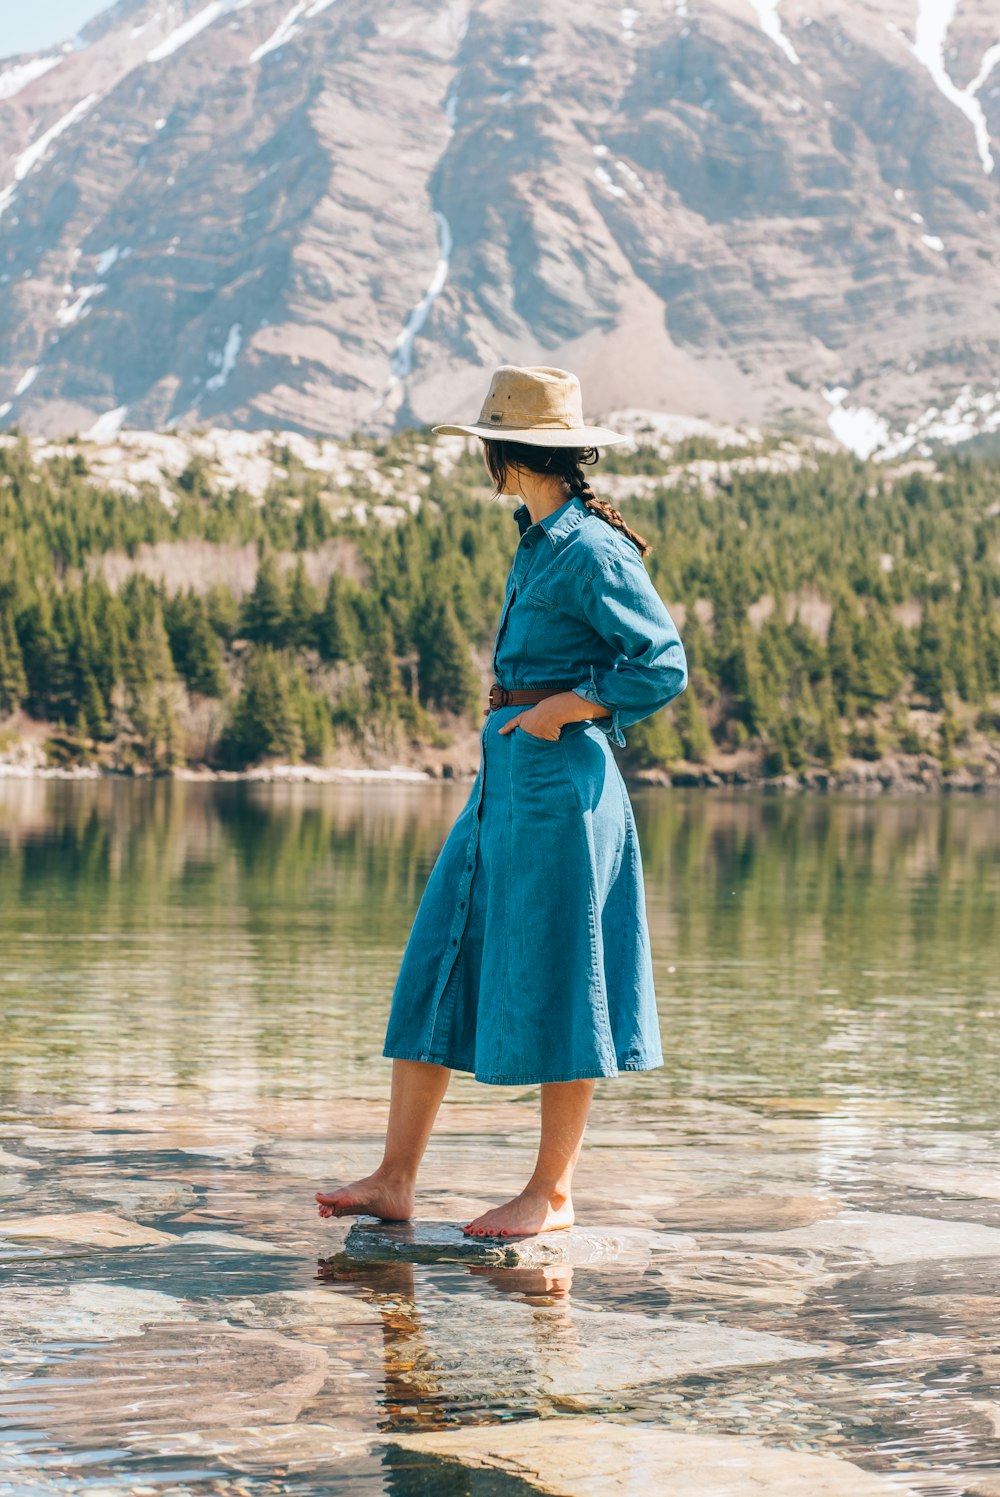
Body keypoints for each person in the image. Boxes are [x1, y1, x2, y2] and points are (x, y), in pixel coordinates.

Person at [316, 364, 688, 1239]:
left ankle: (552, 1194)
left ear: (503, 452)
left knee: (566, 976)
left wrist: (563, 705)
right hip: (508, 790)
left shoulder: (592, 548)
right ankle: (395, 1178)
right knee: (438, 959)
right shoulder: (541, 535)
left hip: (561, 795)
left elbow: (661, 663)